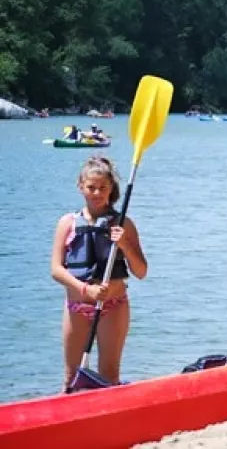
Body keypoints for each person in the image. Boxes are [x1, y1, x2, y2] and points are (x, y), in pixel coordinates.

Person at [50, 156, 148, 390]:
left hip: (113, 306)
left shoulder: (123, 224)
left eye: (103, 187)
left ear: (111, 188)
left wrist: (124, 245)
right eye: (91, 187)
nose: (96, 193)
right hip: (77, 306)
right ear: (80, 186)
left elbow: (141, 271)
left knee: (110, 374)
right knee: (71, 377)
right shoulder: (68, 223)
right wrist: (86, 290)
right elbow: (56, 270)